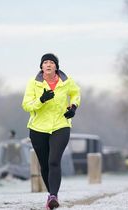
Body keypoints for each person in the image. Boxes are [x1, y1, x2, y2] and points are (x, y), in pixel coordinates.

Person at [22, 53, 81, 210]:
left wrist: (73, 107)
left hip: (61, 125)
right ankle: (51, 195)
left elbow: (76, 93)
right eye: (45, 62)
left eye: (51, 62)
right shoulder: (33, 84)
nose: (48, 64)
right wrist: (41, 100)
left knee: (54, 161)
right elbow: (26, 105)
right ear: (41, 66)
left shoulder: (66, 82)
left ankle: (53, 196)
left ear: (56, 66)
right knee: (45, 165)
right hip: (38, 128)